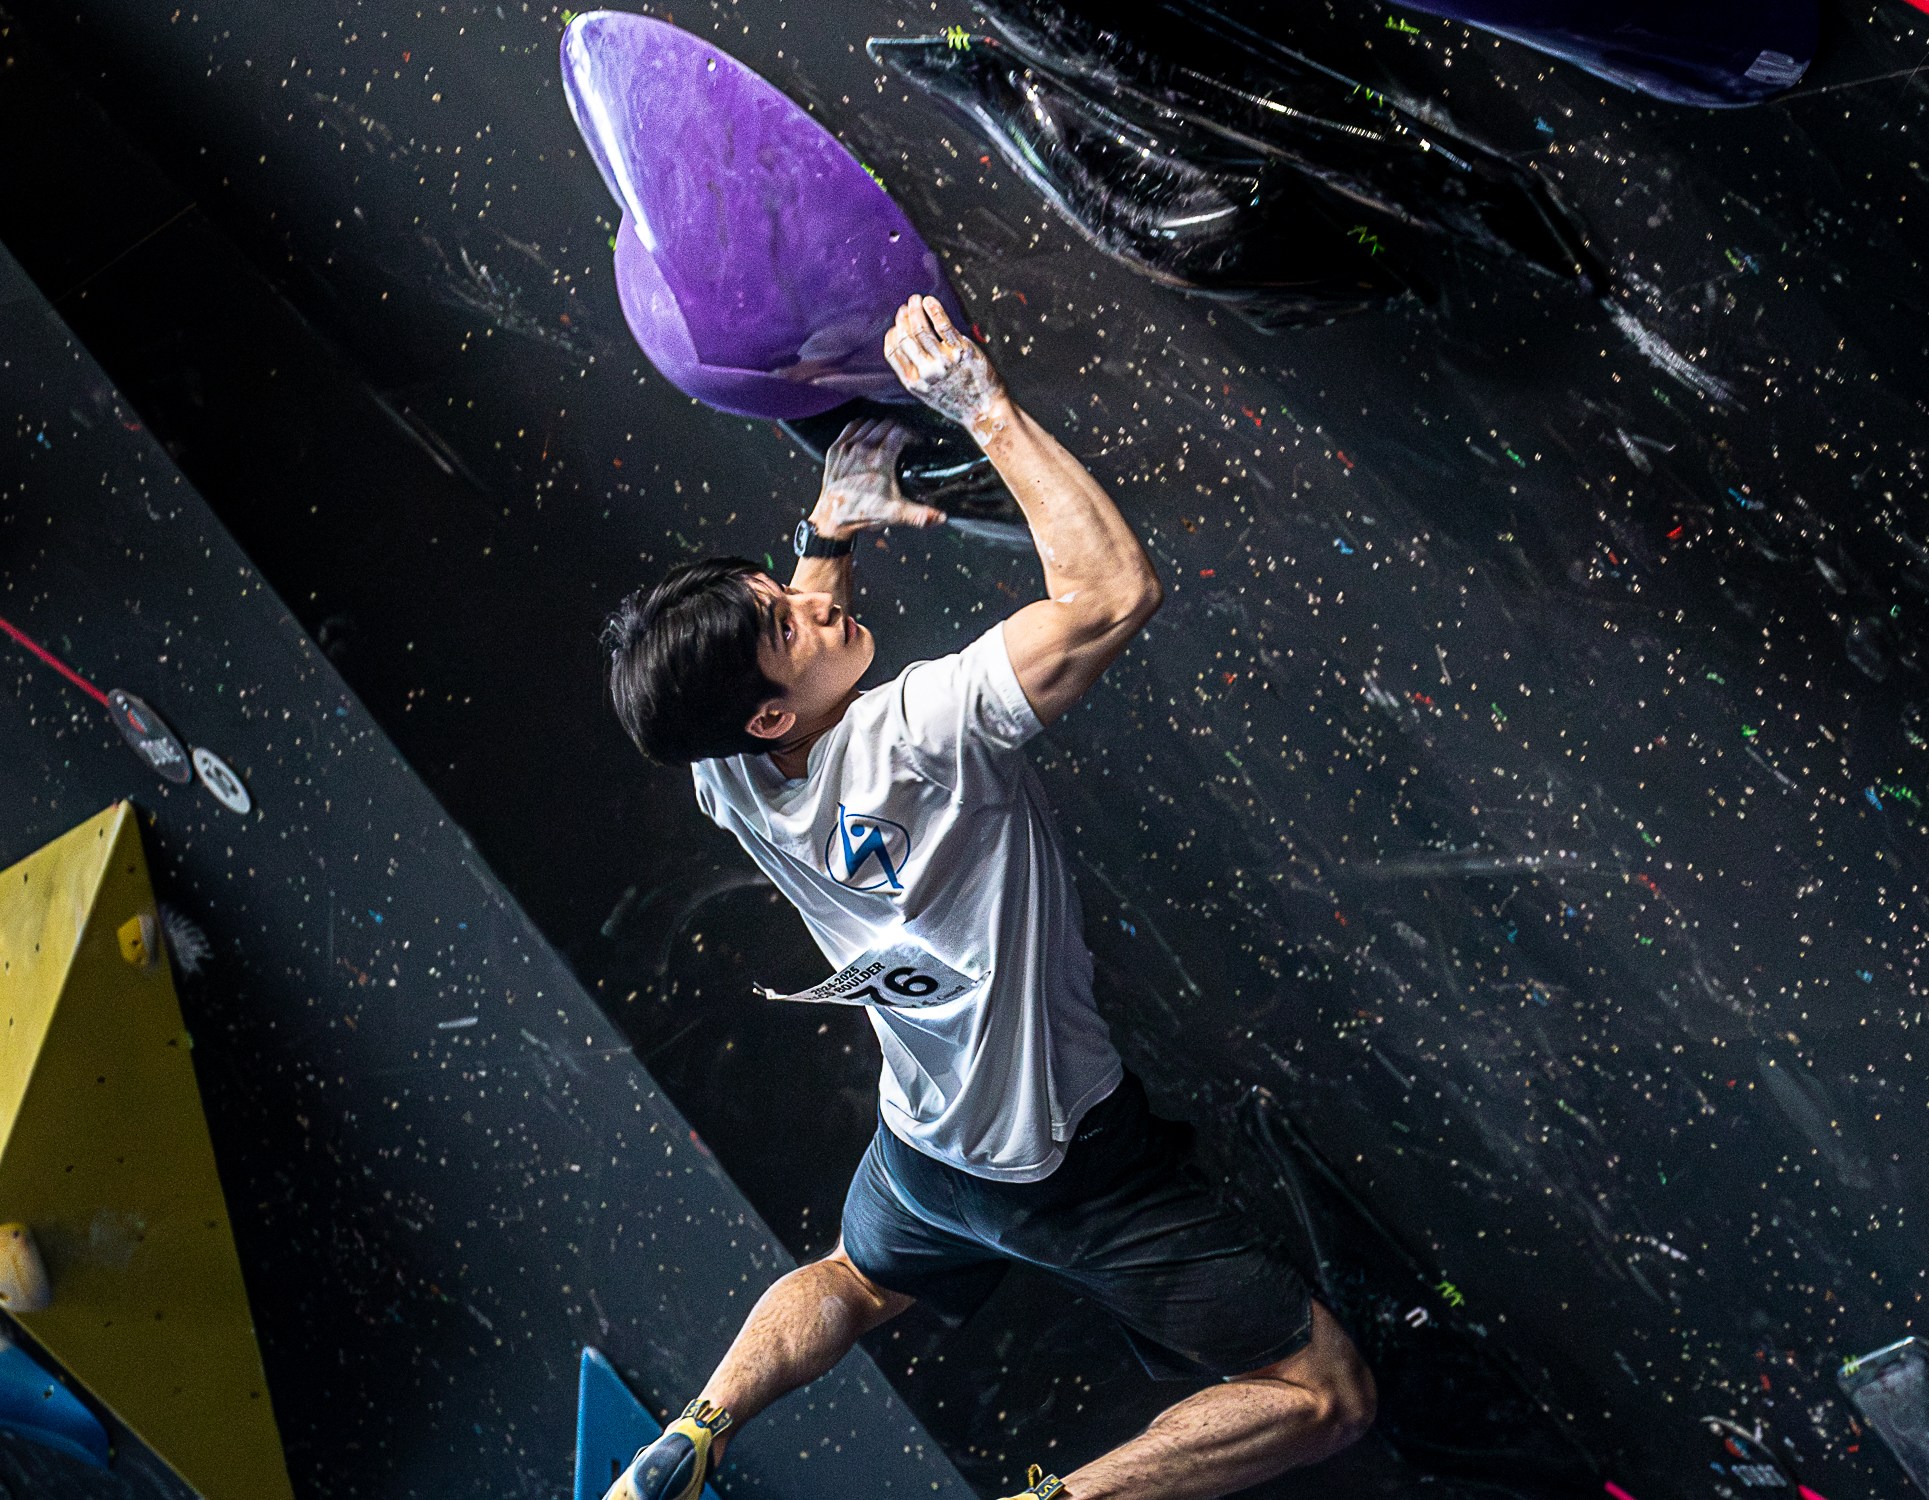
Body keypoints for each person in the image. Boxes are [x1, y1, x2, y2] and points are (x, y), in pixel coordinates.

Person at [601, 294, 1375, 1500]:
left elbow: (767, 676)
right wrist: (983, 407)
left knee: (856, 1279)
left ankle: (696, 1430)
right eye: (790, 624)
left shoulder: (729, 779)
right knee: (1324, 1395)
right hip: (1067, 1163)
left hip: (928, 1147)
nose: (814, 608)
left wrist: (828, 533)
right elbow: (1111, 592)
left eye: (780, 590)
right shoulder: (922, 730)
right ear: (765, 713)